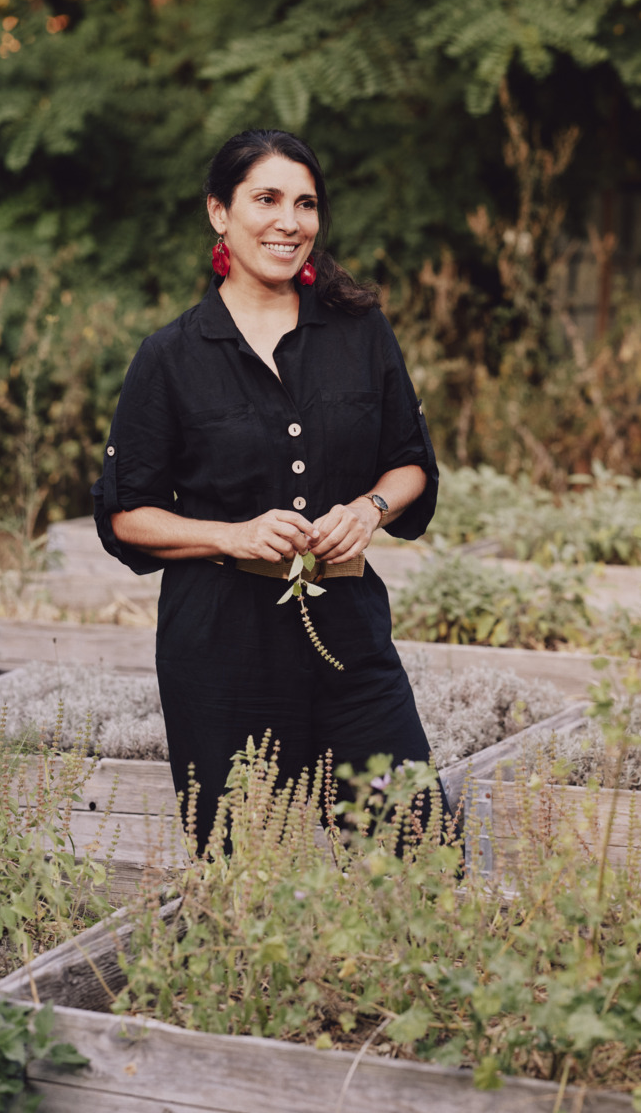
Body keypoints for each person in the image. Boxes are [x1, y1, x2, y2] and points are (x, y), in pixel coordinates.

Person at [92, 128, 451, 851]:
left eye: (306, 203)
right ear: (219, 213)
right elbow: (126, 515)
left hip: (348, 632)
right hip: (221, 646)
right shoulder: (170, 356)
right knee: (242, 865)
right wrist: (230, 534)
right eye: (267, 199)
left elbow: (411, 462)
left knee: (415, 846)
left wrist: (370, 507)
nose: (290, 221)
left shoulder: (360, 331)